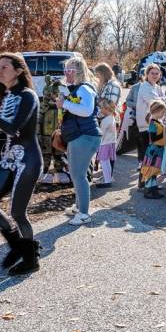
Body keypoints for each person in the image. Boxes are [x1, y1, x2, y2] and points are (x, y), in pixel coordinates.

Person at [0, 53, 42, 274]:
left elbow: (15, 129)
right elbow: (7, 132)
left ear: (19, 71)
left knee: (17, 212)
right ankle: (18, 245)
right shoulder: (6, 95)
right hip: (10, 157)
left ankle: (31, 259)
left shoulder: (28, 96)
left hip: (28, 159)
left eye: (5, 67)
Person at [58, 55, 102, 226]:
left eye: (69, 70)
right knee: (76, 175)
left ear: (78, 72)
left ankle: (84, 213)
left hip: (84, 136)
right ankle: (78, 207)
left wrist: (65, 105)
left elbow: (86, 110)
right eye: (65, 70)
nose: (66, 73)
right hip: (80, 136)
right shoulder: (76, 88)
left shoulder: (84, 88)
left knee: (79, 175)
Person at [141, 100, 166, 199]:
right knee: (151, 170)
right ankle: (148, 190)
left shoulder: (157, 122)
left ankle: (153, 187)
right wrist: (164, 131)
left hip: (158, 149)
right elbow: (154, 138)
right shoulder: (153, 123)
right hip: (154, 150)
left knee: (155, 170)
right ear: (157, 111)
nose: (163, 114)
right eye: (163, 112)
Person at [95, 101, 117, 189]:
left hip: (105, 143)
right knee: (107, 162)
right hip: (110, 142)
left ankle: (107, 181)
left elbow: (101, 133)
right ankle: (108, 178)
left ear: (106, 109)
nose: (100, 109)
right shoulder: (112, 117)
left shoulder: (105, 120)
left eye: (101, 108)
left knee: (104, 163)